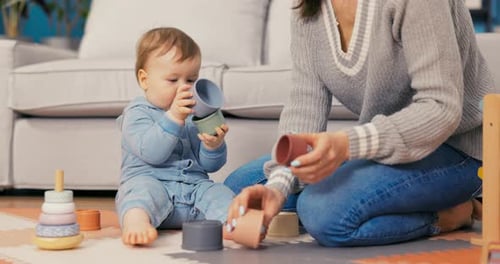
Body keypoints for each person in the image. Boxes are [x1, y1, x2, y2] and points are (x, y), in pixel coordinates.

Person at [224, 0, 493, 247]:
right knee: (241, 188)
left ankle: (451, 213)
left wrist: (345, 145)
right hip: (384, 149)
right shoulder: (308, 6)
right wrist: (278, 186)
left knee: (323, 211)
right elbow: (305, 103)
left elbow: (441, 109)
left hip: (458, 148)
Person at [115, 27, 234, 246]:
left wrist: (214, 145)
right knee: (140, 193)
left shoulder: (194, 115)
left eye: (191, 80)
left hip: (193, 191)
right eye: (172, 80)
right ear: (144, 80)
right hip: (154, 184)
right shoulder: (137, 113)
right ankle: (137, 222)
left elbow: (209, 166)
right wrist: (173, 117)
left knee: (217, 191)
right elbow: (151, 153)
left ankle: (235, 223)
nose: (184, 89)